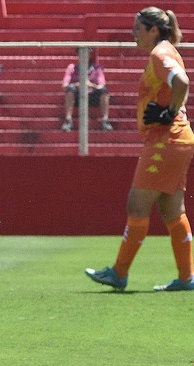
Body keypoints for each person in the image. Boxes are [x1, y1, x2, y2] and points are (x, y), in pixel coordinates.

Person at [85, 7, 194, 293]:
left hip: (165, 139)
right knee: (172, 210)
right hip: (178, 139)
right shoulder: (166, 50)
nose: (134, 35)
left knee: (137, 205)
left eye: (137, 29)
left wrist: (169, 113)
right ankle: (186, 278)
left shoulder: (160, 54)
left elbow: (182, 82)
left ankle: (119, 273)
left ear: (153, 30)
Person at [62, 48, 112, 131]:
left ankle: (105, 121)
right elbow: (64, 86)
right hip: (77, 96)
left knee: (104, 91)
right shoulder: (72, 67)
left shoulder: (97, 68)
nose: (84, 56)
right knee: (70, 90)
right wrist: (78, 85)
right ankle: (68, 121)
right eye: (81, 53)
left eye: (86, 53)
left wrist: (90, 85)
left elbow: (101, 85)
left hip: (92, 95)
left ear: (90, 55)